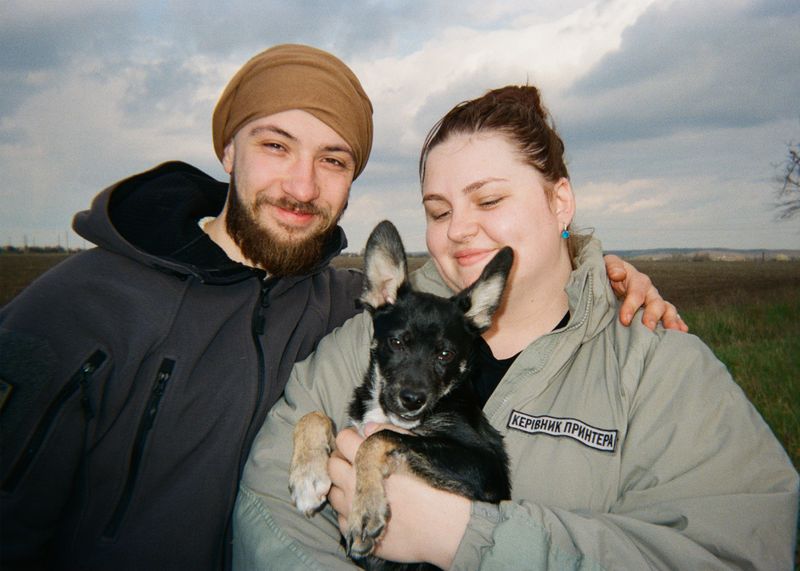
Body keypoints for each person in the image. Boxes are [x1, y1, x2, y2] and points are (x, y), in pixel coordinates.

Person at [0, 42, 677, 570]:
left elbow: (467, 302)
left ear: (352, 181)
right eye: (275, 145)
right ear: (227, 148)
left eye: (333, 159)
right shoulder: (75, 306)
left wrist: (598, 276)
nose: (302, 183)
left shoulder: (349, 311)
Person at [233, 85, 799, 570]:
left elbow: (737, 553)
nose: (459, 229)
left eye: (489, 198)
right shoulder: (369, 338)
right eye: (437, 210)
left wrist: (465, 536)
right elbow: (270, 504)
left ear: (560, 202)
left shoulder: (658, 365)